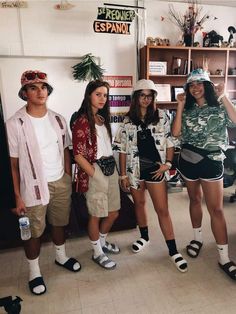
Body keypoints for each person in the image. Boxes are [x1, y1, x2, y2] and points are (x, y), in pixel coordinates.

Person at [6, 70, 81, 296]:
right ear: (25, 93)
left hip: (60, 181)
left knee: (59, 223)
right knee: (33, 232)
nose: (40, 92)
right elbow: (12, 164)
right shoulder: (14, 123)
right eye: (33, 88)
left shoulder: (58, 119)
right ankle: (34, 271)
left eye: (44, 87)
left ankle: (60, 257)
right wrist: (16, 196)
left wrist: (67, 177)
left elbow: (66, 150)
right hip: (32, 187)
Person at [114, 79, 188, 273]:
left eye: (149, 95)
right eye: (142, 95)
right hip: (134, 170)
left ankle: (173, 250)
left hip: (155, 169)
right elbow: (122, 149)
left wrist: (168, 164)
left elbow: (171, 141)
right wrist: (122, 175)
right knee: (139, 204)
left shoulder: (162, 116)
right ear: (135, 97)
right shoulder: (127, 120)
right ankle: (144, 237)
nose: (146, 99)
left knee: (162, 210)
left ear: (154, 97)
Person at [172, 68, 236, 280]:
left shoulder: (219, 106)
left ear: (207, 86)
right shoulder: (187, 108)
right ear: (187, 89)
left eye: (200, 84)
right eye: (191, 85)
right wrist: (180, 105)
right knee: (194, 200)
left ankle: (224, 258)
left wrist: (223, 95)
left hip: (211, 161)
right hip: (189, 160)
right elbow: (176, 133)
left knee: (216, 209)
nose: (196, 88)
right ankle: (197, 238)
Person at [71, 80, 120, 270]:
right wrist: (95, 175)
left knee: (114, 212)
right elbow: (78, 155)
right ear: (89, 95)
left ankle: (101, 242)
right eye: (98, 94)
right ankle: (97, 252)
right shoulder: (81, 121)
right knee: (96, 215)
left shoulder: (102, 119)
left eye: (105, 95)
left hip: (111, 168)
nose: (102, 99)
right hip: (95, 171)